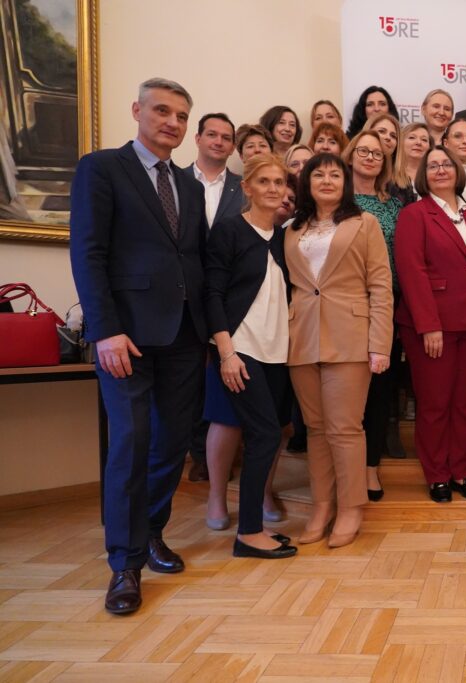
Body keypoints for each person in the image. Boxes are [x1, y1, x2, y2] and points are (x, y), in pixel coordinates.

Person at [70, 78, 208, 615]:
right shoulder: (103, 168)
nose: (172, 122)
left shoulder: (189, 185)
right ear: (137, 111)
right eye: (162, 111)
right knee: (131, 442)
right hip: (124, 337)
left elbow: (191, 259)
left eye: (181, 115)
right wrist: (104, 329)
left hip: (183, 335)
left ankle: (151, 531)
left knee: (172, 443)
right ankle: (125, 564)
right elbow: (88, 252)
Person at [285, 153, 393, 547]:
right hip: (301, 336)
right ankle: (321, 505)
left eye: (335, 174)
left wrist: (379, 344)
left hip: (351, 335)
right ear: (307, 182)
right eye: (319, 174)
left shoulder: (364, 223)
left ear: (345, 183)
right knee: (315, 429)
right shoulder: (292, 227)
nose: (327, 180)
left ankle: (351, 507)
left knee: (345, 428)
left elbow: (380, 286)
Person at [203, 153, 297, 560]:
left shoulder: (282, 238)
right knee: (264, 435)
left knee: (269, 433)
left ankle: (252, 525)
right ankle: (249, 533)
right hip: (241, 350)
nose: (273, 189)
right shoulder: (229, 231)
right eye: (264, 181)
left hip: (277, 352)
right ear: (247, 187)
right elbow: (212, 294)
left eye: (279, 182)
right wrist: (226, 353)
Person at [393, 147, 466, 502]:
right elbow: (412, 272)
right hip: (433, 326)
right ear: (423, 175)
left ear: (457, 171)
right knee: (435, 404)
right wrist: (428, 325)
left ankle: (461, 472)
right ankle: (437, 475)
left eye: (446, 164)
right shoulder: (414, 214)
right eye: (432, 165)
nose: (440, 170)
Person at [341, 131, 404, 500]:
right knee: (345, 394)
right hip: (341, 309)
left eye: (377, 154)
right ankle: (344, 470)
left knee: (379, 391)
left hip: (384, 307)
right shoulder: (335, 200)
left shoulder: (394, 205)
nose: (369, 157)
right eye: (363, 151)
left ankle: (370, 469)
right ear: (350, 156)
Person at [184, 113, 244, 484]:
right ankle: (198, 454)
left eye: (226, 137)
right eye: (212, 134)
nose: (218, 141)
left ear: (233, 146)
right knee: (192, 378)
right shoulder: (174, 180)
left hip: (228, 295)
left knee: (224, 375)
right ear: (198, 138)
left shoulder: (243, 188)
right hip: (186, 294)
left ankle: (227, 452)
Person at [393, 123, 431, 205]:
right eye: (412, 137)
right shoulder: (389, 176)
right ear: (400, 142)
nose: (418, 143)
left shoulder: (435, 175)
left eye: (424, 140)